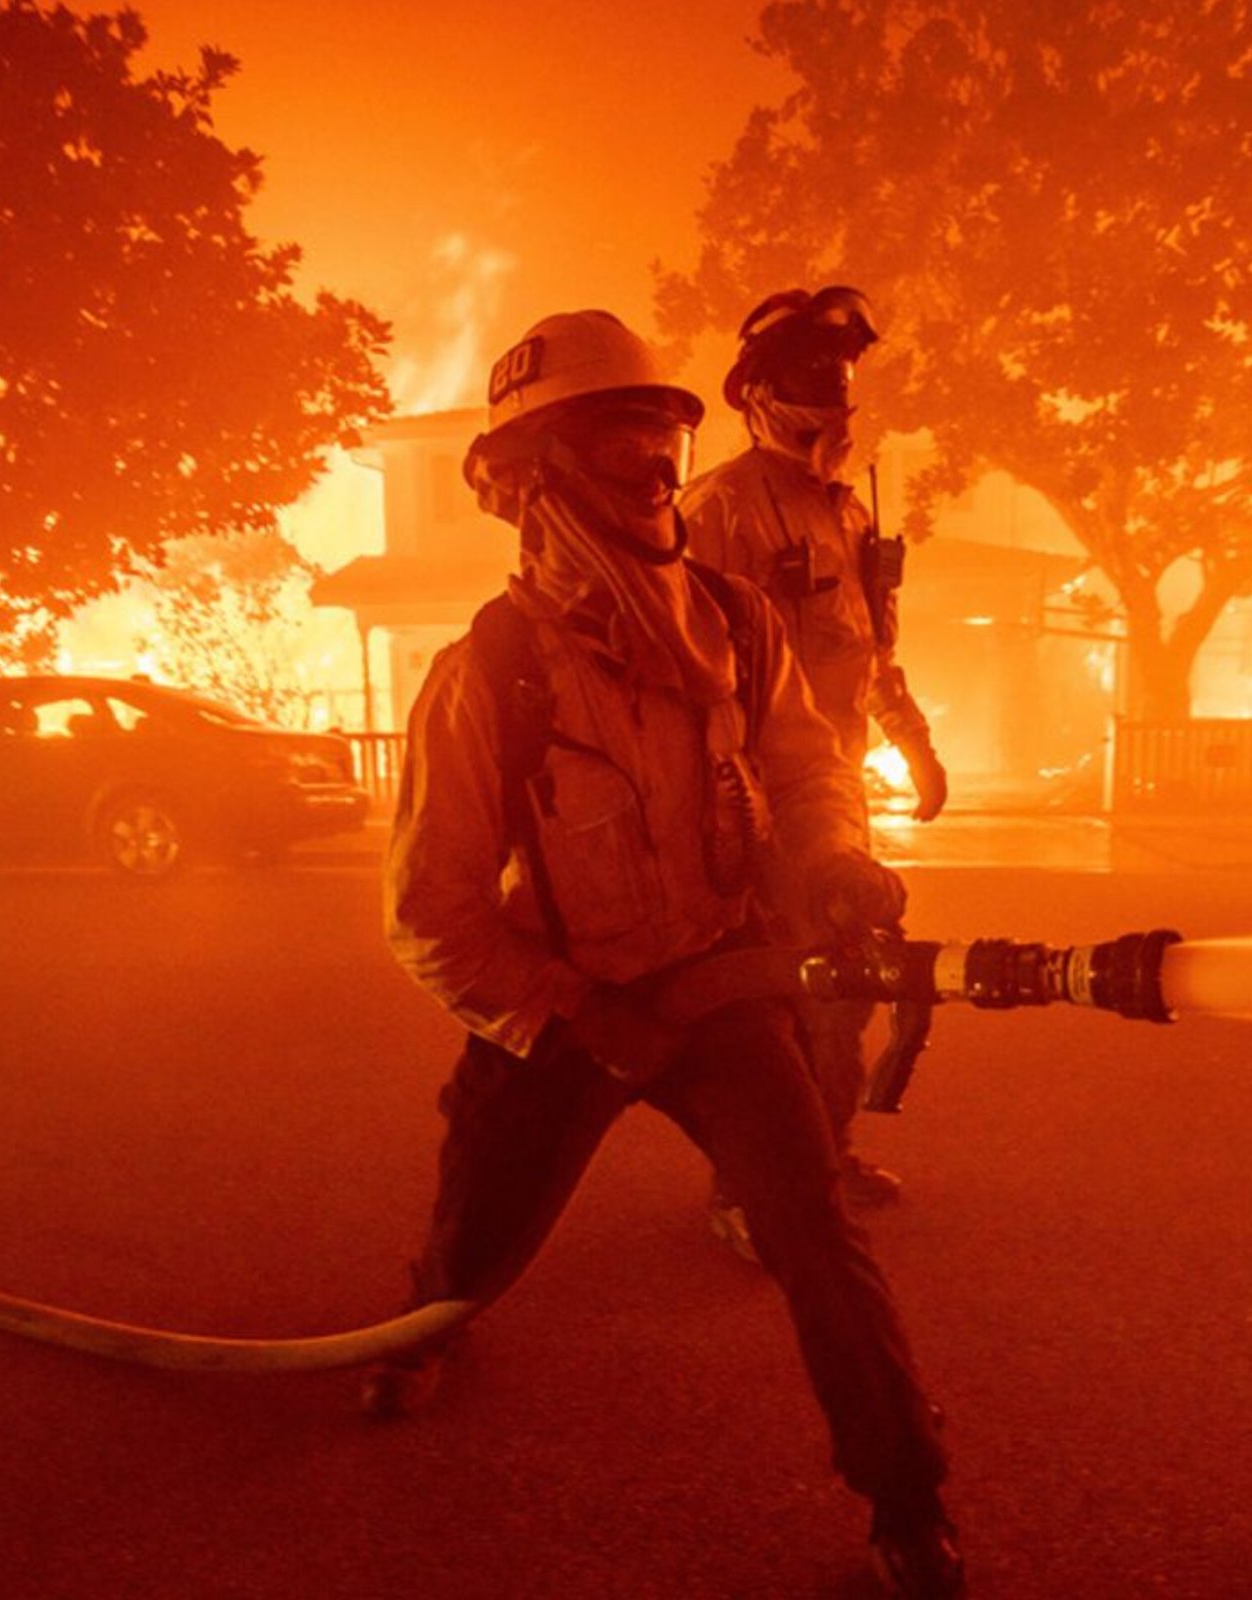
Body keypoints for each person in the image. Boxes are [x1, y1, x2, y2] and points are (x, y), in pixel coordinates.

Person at [369, 309, 964, 1598]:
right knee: (476, 1234)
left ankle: (907, 1499)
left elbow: (806, 770)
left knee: (814, 1232)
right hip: (561, 1006)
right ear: (533, 480)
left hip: (715, 985)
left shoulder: (738, 625)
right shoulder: (489, 673)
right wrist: (576, 1015)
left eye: (662, 441)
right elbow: (431, 914)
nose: (653, 472)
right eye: (617, 444)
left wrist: (831, 860)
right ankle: (423, 1329)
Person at [682, 286, 949, 1243]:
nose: (833, 390)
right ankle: (747, 1191)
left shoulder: (845, 512)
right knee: (774, 1005)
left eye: (840, 373)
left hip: (837, 797)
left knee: (849, 984)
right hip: (758, 802)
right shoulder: (719, 510)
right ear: (757, 393)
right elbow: (688, 670)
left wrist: (912, 741)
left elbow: (869, 646)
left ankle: (821, 1155)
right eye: (811, 373)